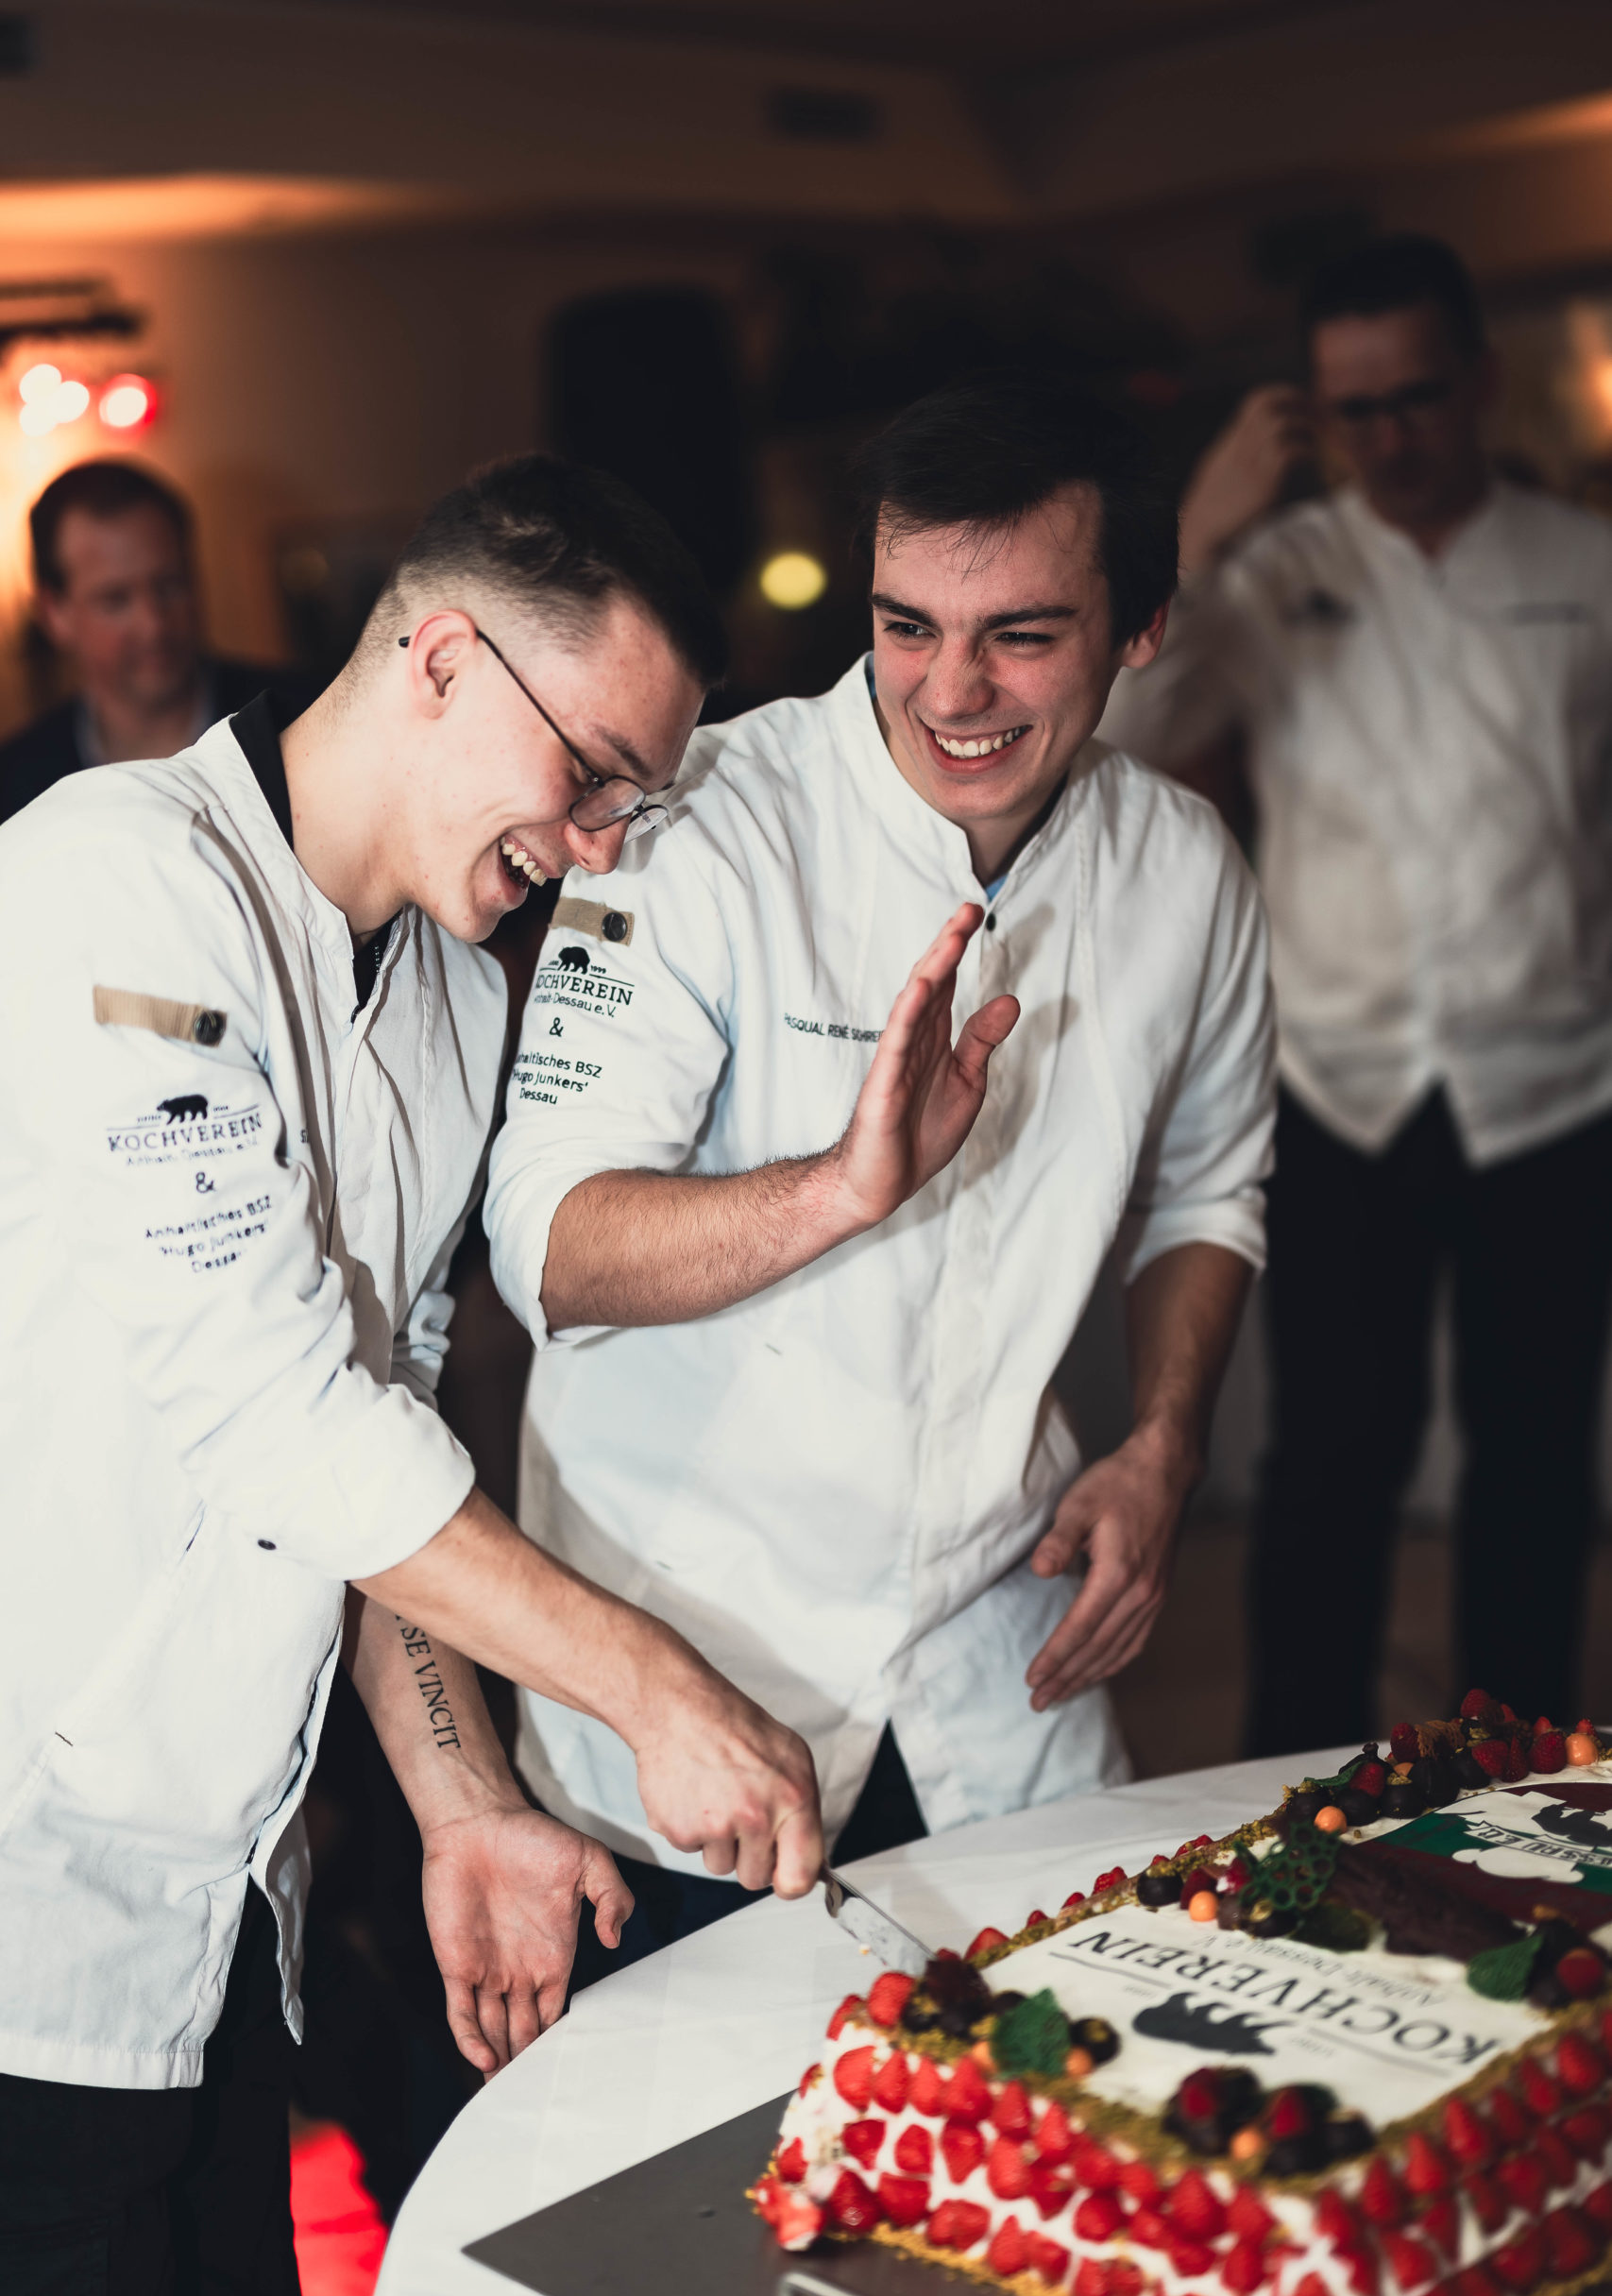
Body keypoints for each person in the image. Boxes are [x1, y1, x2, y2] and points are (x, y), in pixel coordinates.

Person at [0, 456, 833, 2296]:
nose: (610, 842)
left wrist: (461, 1806)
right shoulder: (109, 875)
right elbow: (274, 1412)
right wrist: (646, 1682)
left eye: (643, 799)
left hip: (230, 1913)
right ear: (442, 655)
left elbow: (373, 1463)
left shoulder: (458, 1005)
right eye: (598, 774)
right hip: (27, 1901)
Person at [484, 373, 1277, 1979]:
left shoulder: (1182, 868)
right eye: (905, 625)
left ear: (1139, 627)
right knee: (706, 2191)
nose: (949, 689)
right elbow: (544, 1246)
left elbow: (1209, 1189)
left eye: (1021, 635)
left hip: (1001, 1659)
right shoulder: (698, 822)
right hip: (692, 1663)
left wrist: (1165, 1444)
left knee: (1046, 2130)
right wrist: (836, 1191)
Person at [1099, 234, 1612, 1753]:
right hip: (1336, 1092)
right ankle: (1295, 1787)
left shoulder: (1585, 567)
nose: (1388, 436)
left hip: (1556, 1092)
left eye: (1413, 398)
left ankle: (1517, 1789)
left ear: (1475, 381)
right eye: (1354, 410)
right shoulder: (1265, 576)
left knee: (1531, 1471)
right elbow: (1115, 745)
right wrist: (1194, 528)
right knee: (1329, 1467)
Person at [0, 458, 308, 825]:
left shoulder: (300, 720)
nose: (154, 625)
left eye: (170, 585)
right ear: (54, 614)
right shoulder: (16, 787)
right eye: (116, 600)